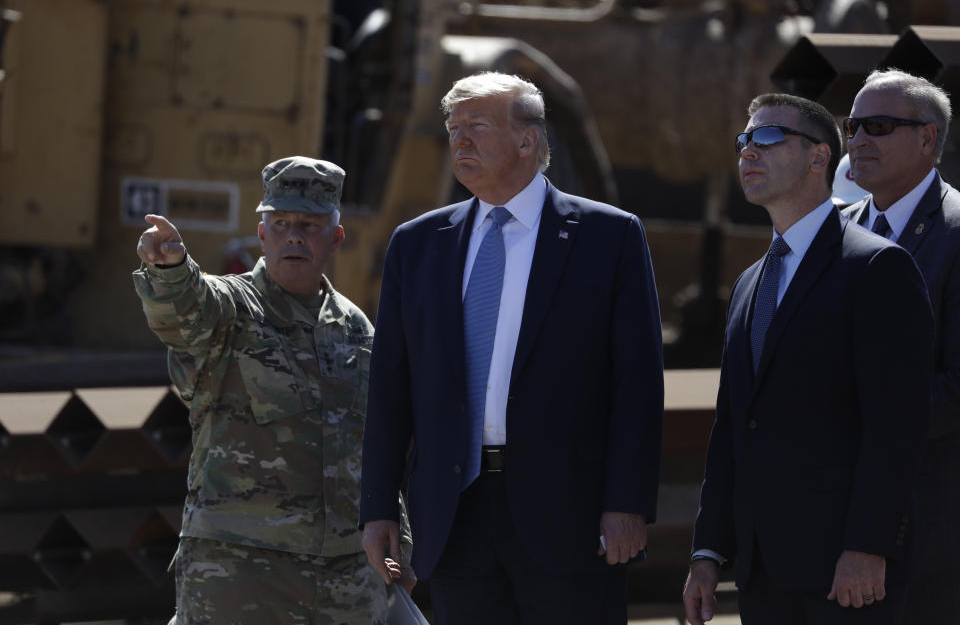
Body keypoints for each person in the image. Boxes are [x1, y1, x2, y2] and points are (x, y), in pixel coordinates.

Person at [358, 71, 664, 624]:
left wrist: (628, 504)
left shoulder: (607, 237)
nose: (460, 140)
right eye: (453, 127)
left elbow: (637, 382)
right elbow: (390, 388)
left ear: (528, 140)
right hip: (456, 516)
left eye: (476, 125)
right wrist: (377, 506)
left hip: (570, 518)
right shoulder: (419, 244)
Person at [682, 94, 934, 625]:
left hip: (847, 575)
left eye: (768, 138)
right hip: (761, 573)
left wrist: (868, 546)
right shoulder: (750, 283)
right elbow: (731, 428)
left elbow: (896, 427)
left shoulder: (878, 267)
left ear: (820, 158)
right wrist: (708, 552)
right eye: (744, 141)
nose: (749, 152)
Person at [133, 156, 410, 624]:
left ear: (336, 237)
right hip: (241, 571)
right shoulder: (232, 307)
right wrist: (171, 268)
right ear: (262, 235)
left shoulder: (355, 327)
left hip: (345, 575)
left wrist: (397, 535)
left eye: (309, 224)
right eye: (280, 223)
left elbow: (373, 441)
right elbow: (186, 308)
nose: (294, 235)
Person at [842, 68, 960, 621]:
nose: (859, 140)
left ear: (927, 138)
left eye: (880, 125)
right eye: (854, 126)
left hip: (931, 538)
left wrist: (847, 417)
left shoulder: (957, 234)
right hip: (835, 527)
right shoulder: (831, 232)